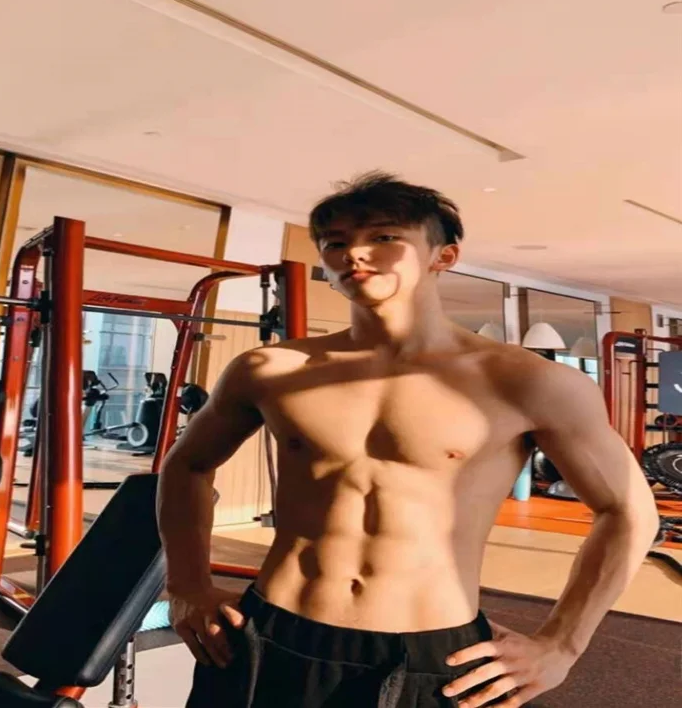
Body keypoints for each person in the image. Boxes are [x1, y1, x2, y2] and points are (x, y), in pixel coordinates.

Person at [158, 172, 659, 708]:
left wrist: (562, 643)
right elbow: (186, 467)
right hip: (271, 633)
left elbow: (628, 511)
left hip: (434, 652)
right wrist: (187, 586)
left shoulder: (526, 381)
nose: (355, 253)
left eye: (384, 237)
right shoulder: (269, 369)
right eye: (336, 242)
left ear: (444, 256)